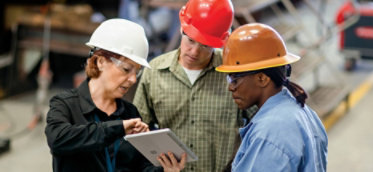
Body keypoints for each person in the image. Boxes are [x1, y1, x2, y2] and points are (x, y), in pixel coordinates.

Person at [45, 18, 186, 172]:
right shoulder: (65, 105)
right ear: (100, 62)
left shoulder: (129, 113)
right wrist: (118, 128)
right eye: (126, 69)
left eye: (137, 73)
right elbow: (58, 140)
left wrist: (164, 170)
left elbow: (140, 167)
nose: (133, 79)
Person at [133, 0, 256, 171]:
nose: (194, 52)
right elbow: (139, 129)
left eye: (205, 45)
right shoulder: (154, 72)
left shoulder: (233, 71)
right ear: (181, 28)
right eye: (190, 40)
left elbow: (260, 124)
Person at [215, 23, 328, 171]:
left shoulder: (269, 134)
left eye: (235, 79)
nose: (230, 87)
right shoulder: (305, 113)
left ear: (262, 78)